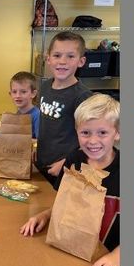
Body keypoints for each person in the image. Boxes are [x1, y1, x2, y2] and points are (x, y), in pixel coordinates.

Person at [21, 94, 121, 266]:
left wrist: (119, 256)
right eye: (85, 133)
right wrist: (46, 215)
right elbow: (68, 202)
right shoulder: (74, 160)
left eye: (102, 133)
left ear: (117, 133)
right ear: (76, 131)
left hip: (107, 263)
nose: (92, 141)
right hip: (73, 255)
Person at [36, 31, 92, 186]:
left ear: (81, 61)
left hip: (65, 168)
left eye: (70, 56)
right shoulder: (45, 86)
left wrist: (66, 163)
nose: (63, 61)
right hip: (42, 161)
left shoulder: (83, 97)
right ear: (48, 59)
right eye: (57, 55)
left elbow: (90, 140)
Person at [8, 70, 40, 138]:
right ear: (10, 94)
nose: (18, 96)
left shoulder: (37, 116)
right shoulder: (18, 113)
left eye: (23, 92)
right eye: (14, 92)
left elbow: (39, 142)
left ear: (33, 94)